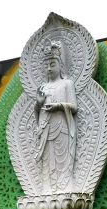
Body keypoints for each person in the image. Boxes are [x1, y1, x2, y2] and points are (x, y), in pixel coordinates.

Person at [34, 40, 77, 193]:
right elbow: (38, 114)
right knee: (47, 163)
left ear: (60, 65)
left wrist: (58, 106)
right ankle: (47, 191)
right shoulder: (43, 88)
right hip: (46, 130)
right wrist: (38, 104)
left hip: (62, 129)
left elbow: (74, 107)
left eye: (52, 64)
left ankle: (64, 190)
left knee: (62, 161)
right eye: (46, 65)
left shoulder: (67, 84)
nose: (49, 68)